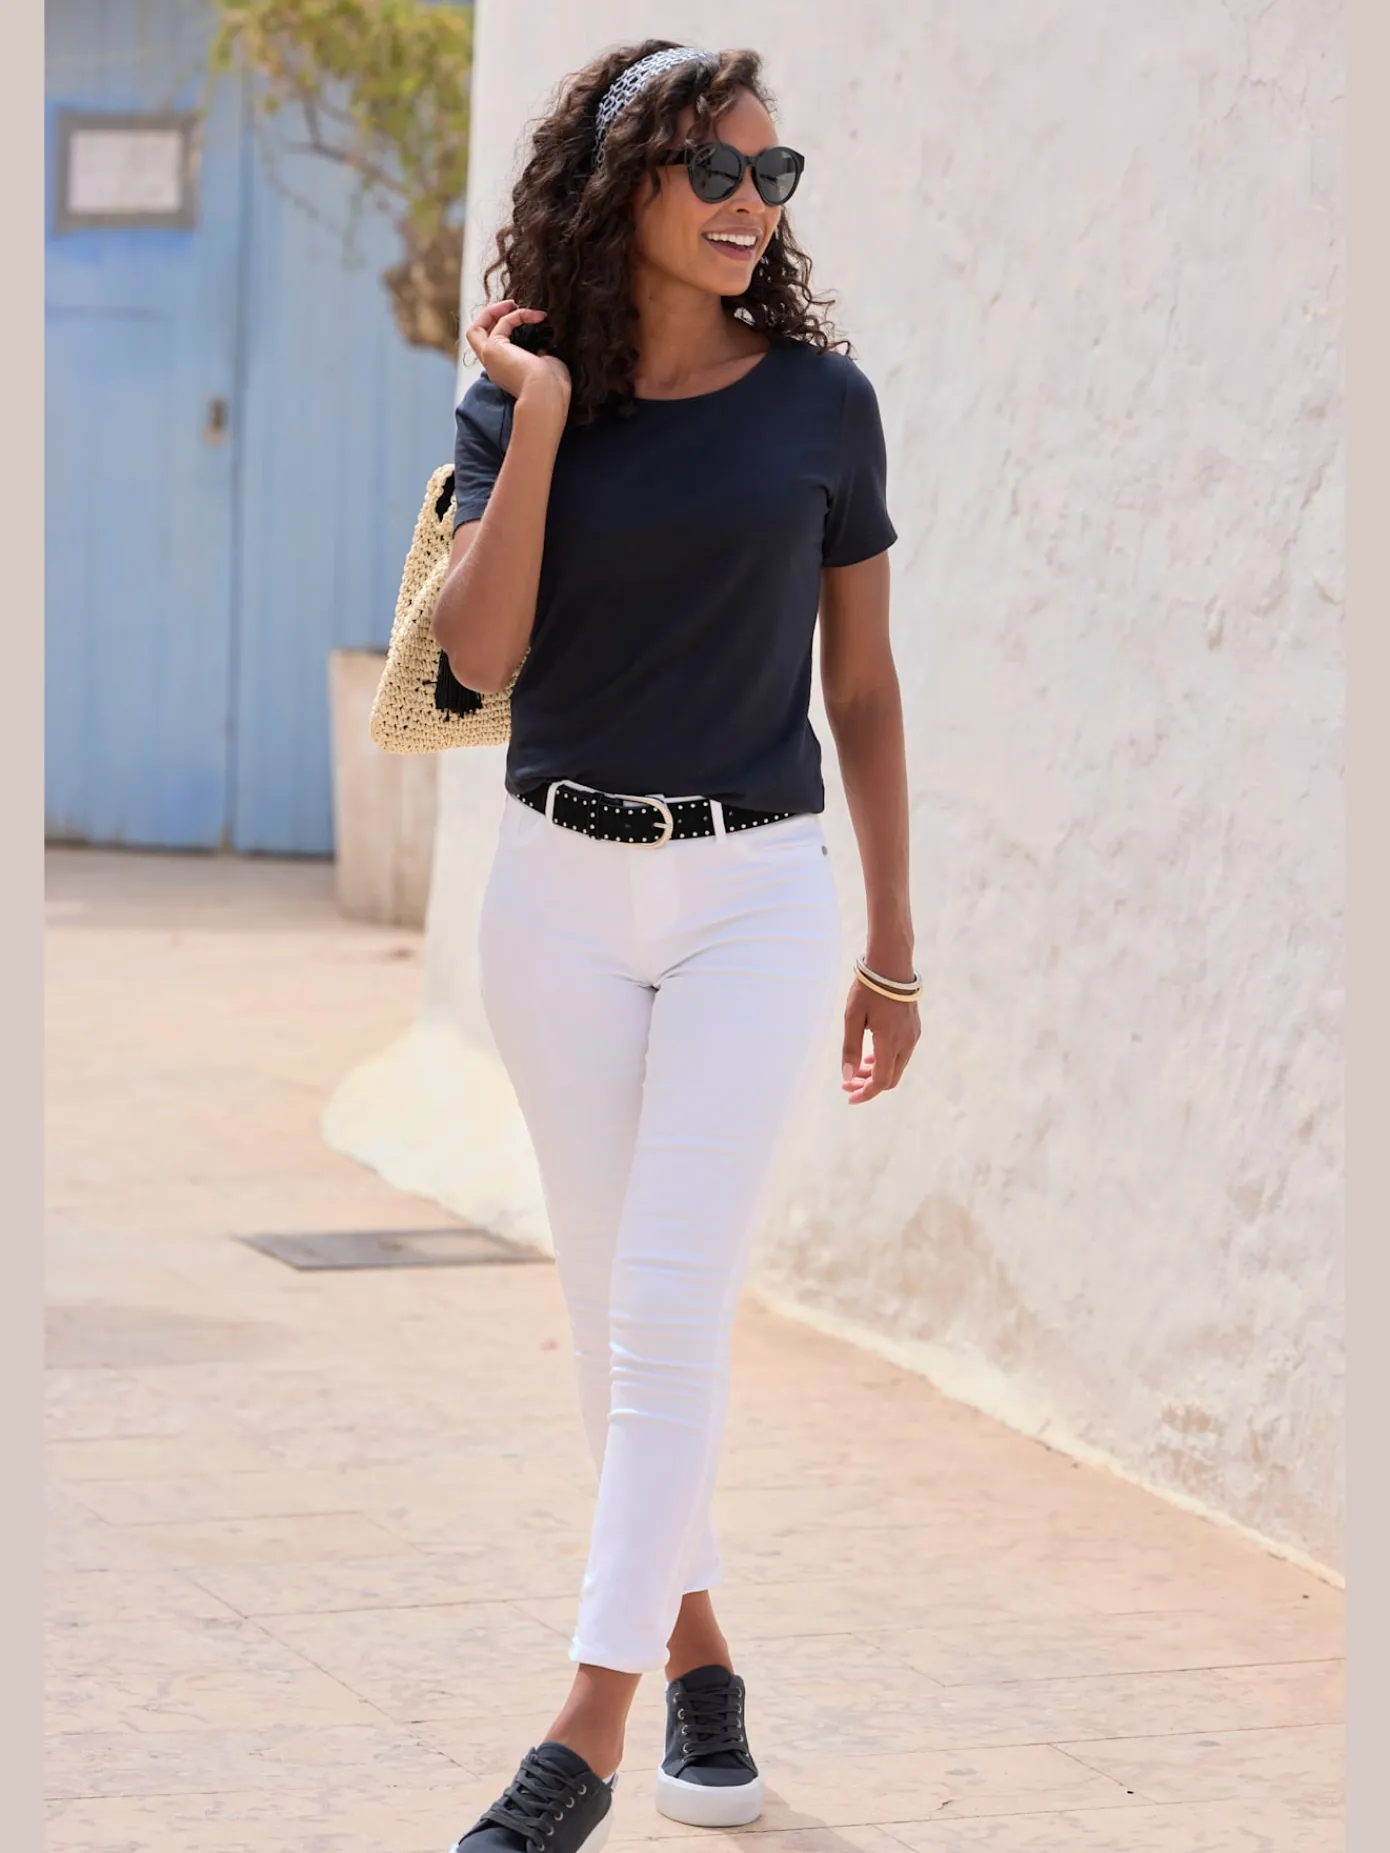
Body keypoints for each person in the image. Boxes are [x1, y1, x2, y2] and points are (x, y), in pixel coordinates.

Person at [431, 39, 920, 1853]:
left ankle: (583, 1733)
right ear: (621, 182)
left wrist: (892, 947)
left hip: (751, 897)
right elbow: (479, 657)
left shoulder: (822, 406)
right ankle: (700, 1651)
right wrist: (544, 417)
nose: (747, 204)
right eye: (714, 169)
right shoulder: (522, 396)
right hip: (554, 893)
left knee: (662, 1311)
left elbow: (859, 692)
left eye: (771, 176)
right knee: (606, 1319)